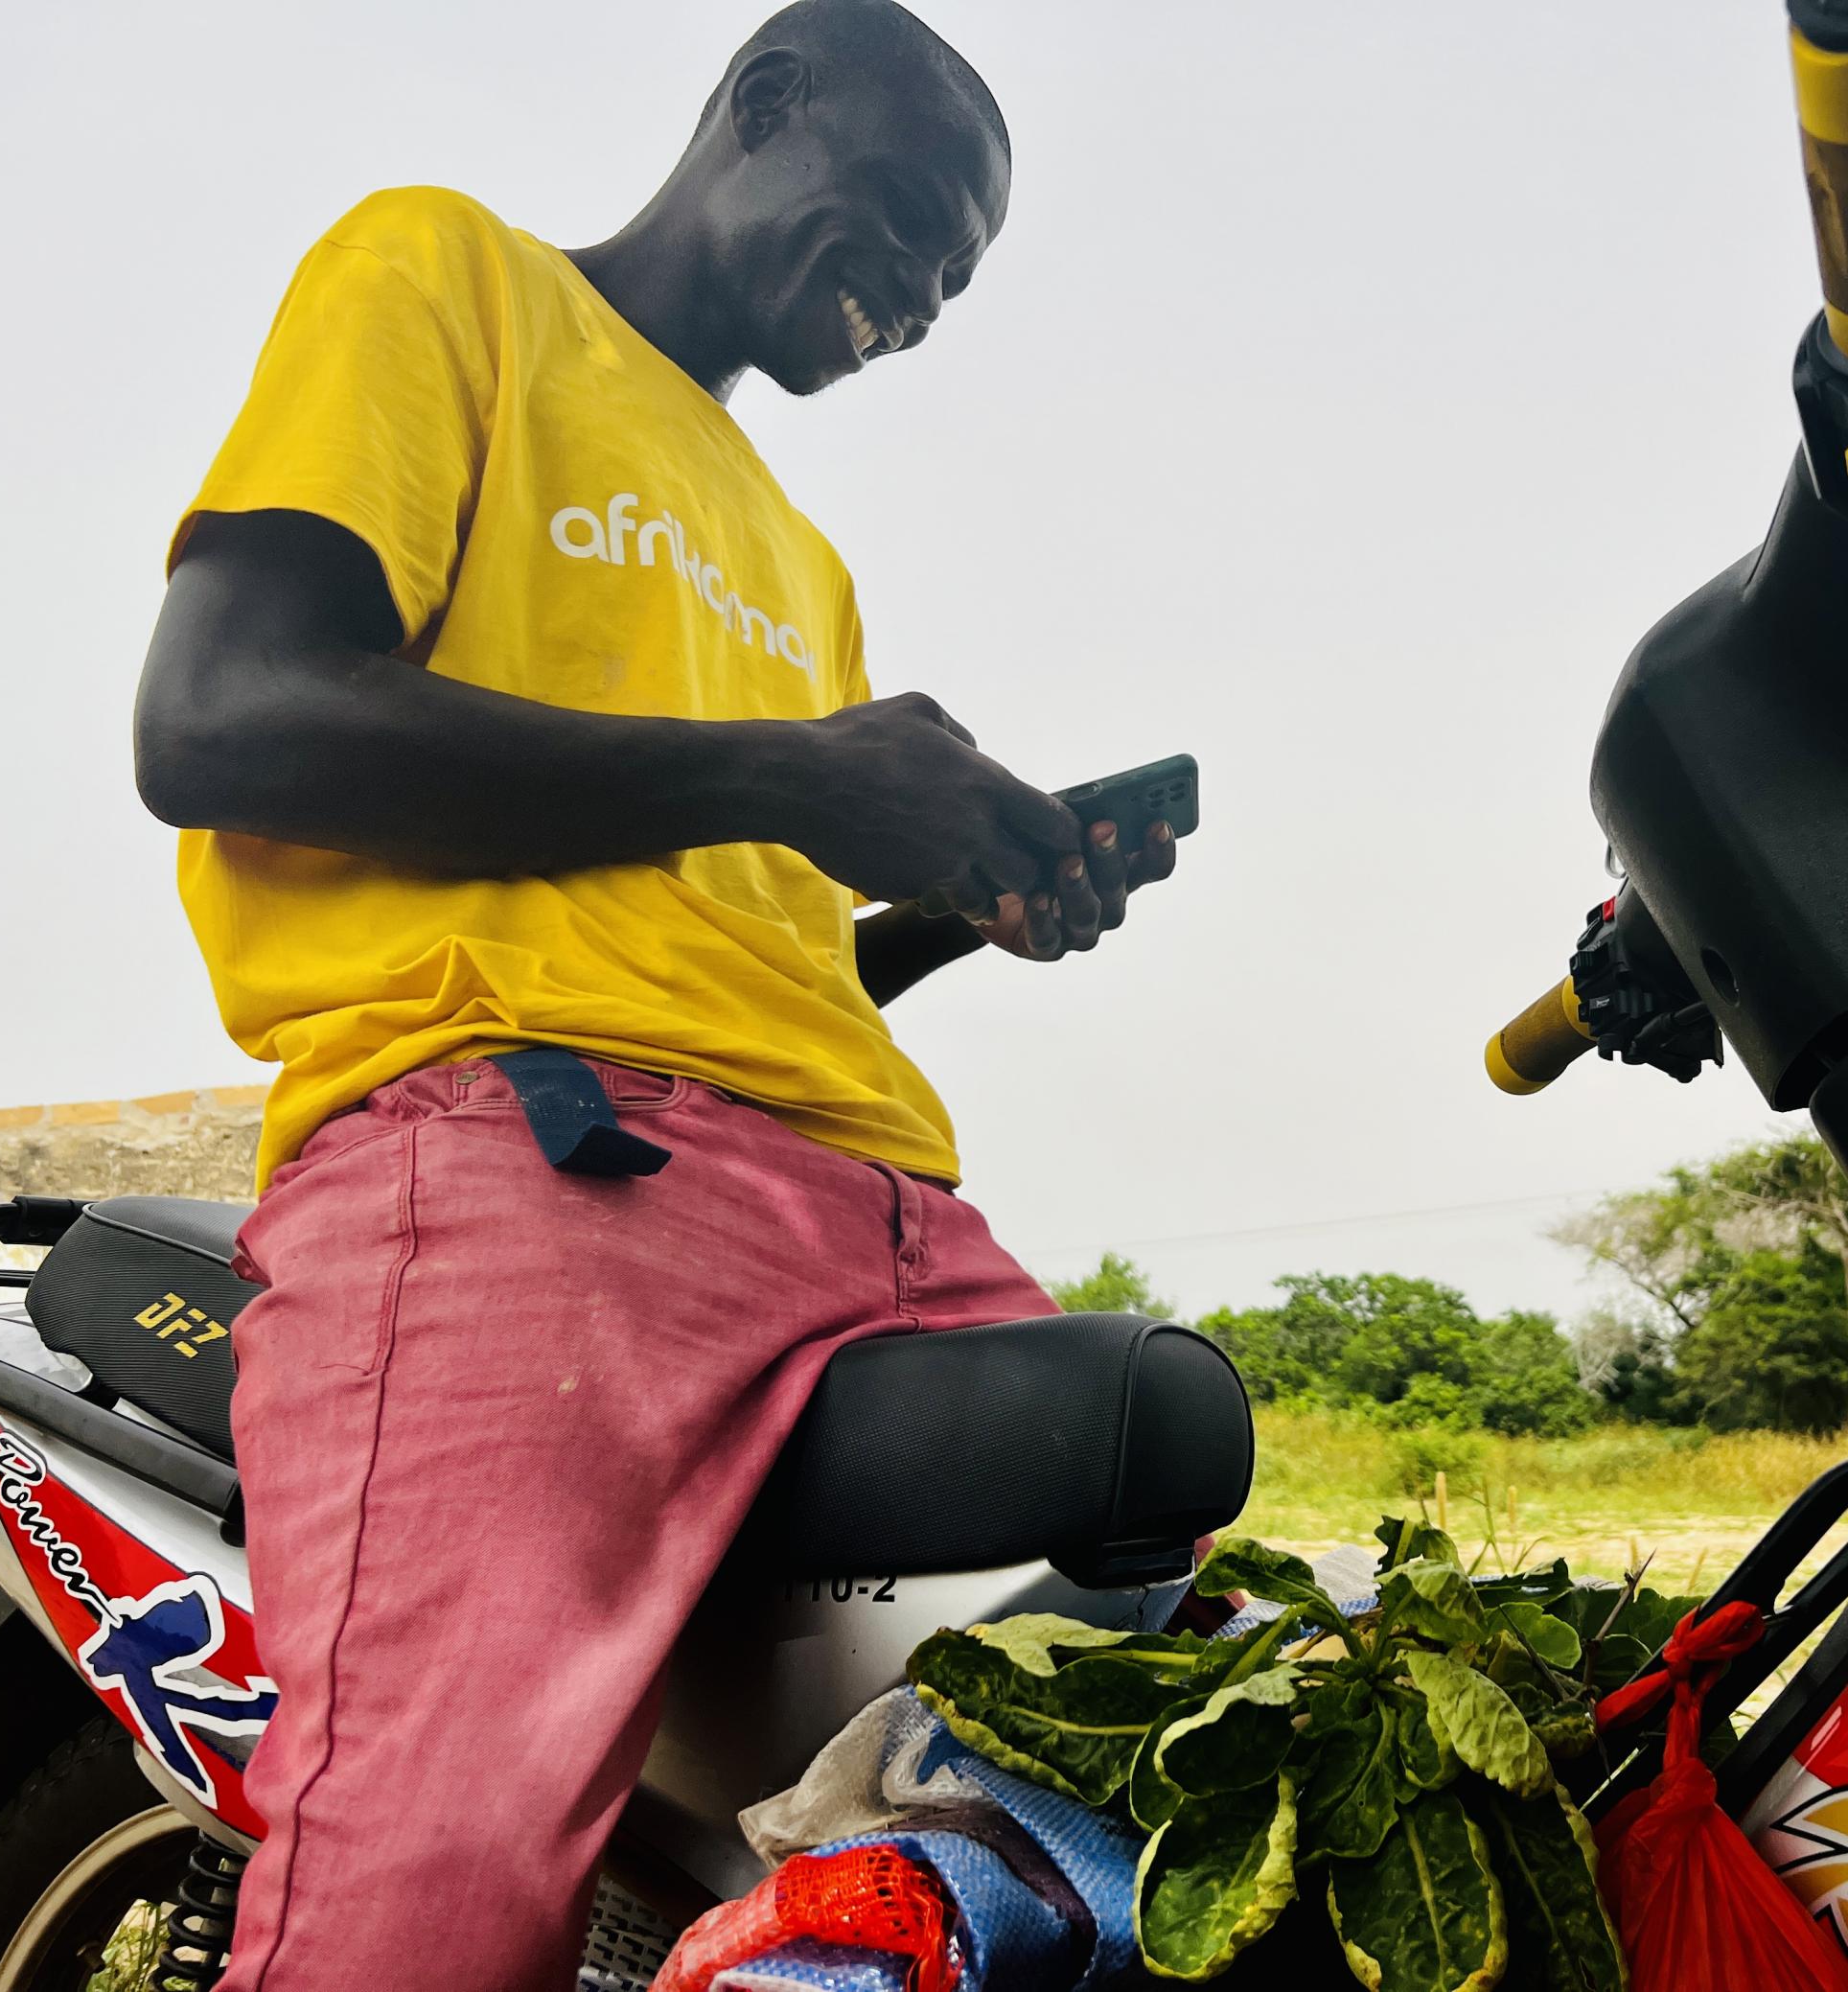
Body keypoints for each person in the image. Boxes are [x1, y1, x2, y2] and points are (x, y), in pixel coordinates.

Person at [130, 5, 1171, 1983]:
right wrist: (804, 770)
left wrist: (964, 897)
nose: (926, 302)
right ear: (767, 107)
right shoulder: (450, 274)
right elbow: (216, 718)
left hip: (872, 1206)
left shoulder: (801, 555)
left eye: (961, 281)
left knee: (1164, 1679)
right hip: (537, 1158)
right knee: (429, 1886)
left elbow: (720, 932)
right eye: (909, 223)